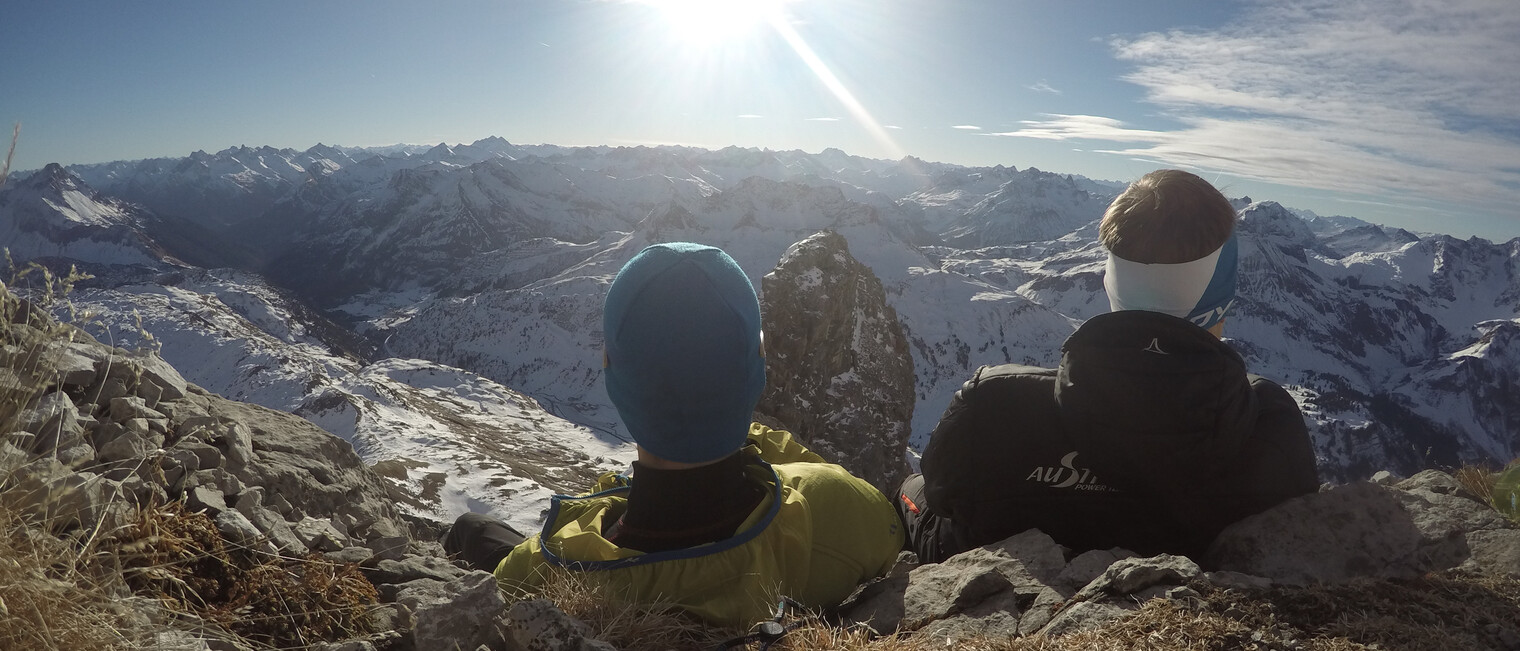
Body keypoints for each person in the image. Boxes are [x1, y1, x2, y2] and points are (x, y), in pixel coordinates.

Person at [444, 242, 903, 627]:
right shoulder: (838, 508)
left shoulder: (543, 569)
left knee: (470, 530)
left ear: (611, 372)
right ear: (759, 364)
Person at [898, 169, 1319, 563]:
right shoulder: (1269, 425)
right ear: (1223, 288)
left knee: (908, 491)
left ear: (1110, 278)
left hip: (998, 603)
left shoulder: (992, 405)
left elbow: (940, 494)